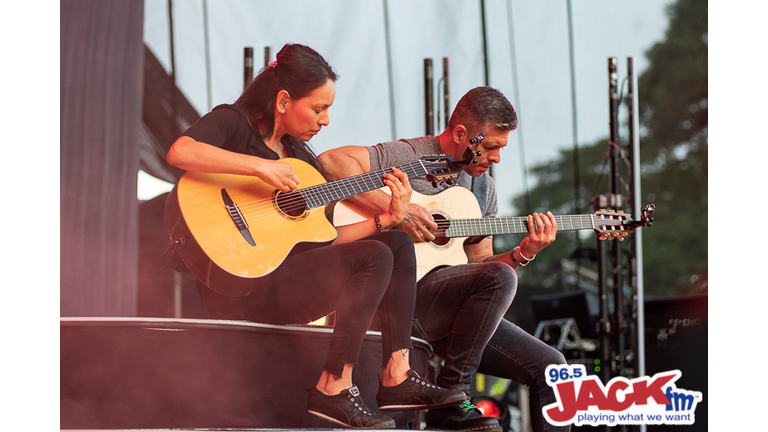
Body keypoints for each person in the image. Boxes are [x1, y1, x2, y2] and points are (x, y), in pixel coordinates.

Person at [165, 43, 464, 429]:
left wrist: (387, 219)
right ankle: (333, 388)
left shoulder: (302, 159)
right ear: (284, 100)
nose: (325, 120)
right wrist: (259, 167)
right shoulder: (234, 123)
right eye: (319, 108)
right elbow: (180, 151)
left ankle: (397, 375)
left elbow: (324, 243)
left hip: (286, 284)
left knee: (393, 243)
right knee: (375, 256)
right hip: (240, 285)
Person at [318, 86, 570, 432]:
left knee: (553, 369)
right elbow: (331, 162)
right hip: (391, 303)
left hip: (446, 309)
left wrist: (523, 252)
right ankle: (456, 397)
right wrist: (398, 212)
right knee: (498, 277)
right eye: (492, 146)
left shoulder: (483, 189)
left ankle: (452, 396)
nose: (497, 158)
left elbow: (481, 268)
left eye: (502, 148)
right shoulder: (411, 155)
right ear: (462, 133)